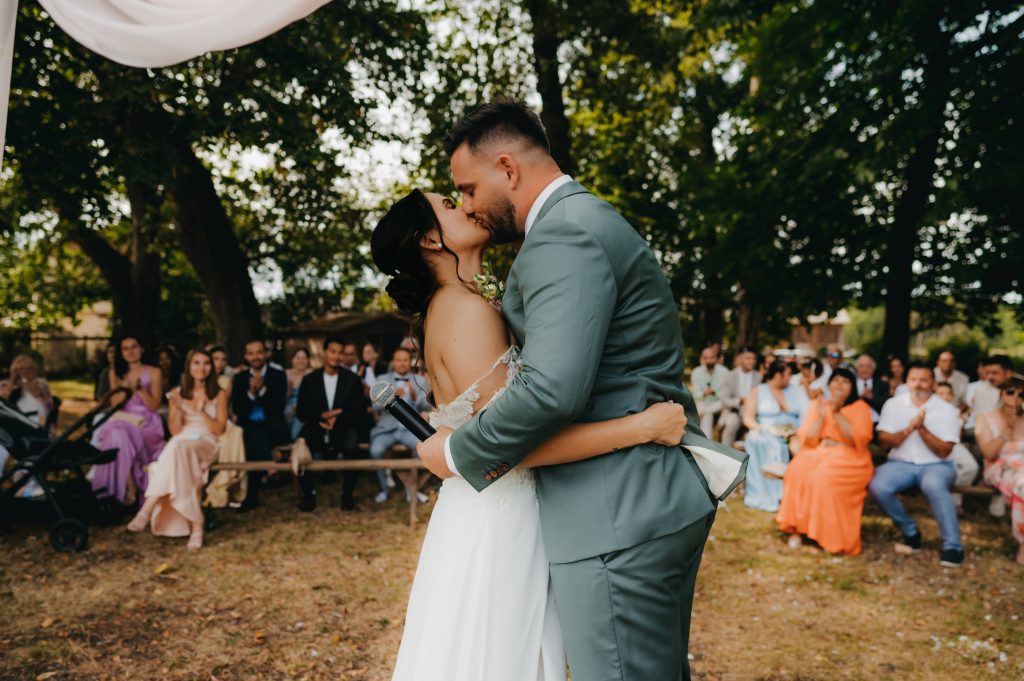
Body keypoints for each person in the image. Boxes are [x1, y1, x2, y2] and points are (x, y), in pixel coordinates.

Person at [403, 101, 745, 681]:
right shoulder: (582, 221)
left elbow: (549, 391)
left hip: (617, 507)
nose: (466, 204)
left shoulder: (562, 235)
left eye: (467, 187)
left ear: (507, 169)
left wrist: (456, 451)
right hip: (638, 496)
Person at [127, 349, 227, 550]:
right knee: (178, 448)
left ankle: (147, 507)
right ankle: (196, 528)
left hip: (207, 441)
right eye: (196, 363)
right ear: (189, 367)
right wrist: (177, 409)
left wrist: (201, 412)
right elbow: (175, 430)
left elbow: (220, 429)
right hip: (183, 440)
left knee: (176, 449)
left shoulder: (219, 393)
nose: (201, 368)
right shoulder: (178, 393)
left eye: (206, 363)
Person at [868, 362, 965, 567]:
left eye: (923, 380)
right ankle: (910, 530)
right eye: (913, 379)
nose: (918, 385)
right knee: (877, 485)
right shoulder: (893, 405)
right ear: (906, 382)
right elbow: (884, 442)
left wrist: (922, 429)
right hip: (900, 463)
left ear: (933, 383)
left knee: (934, 486)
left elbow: (944, 450)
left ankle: (953, 546)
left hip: (937, 465)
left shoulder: (947, 410)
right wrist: (908, 429)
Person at [776, 368, 873, 554]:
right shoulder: (819, 404)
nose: (839, 384)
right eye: (835, 380)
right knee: (796, 472)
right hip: (818, 450)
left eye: (845, 381)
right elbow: (809, 439)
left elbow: (855, 440)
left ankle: (830, 537)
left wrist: (836, 413)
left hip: (850, 457)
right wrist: (821, 416)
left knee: (823, 479)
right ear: (828, 385)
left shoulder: (860, 407)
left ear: (852, 387)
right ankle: (798, 529)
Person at [295, 336, 368, 512]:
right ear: (324, 352)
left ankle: (347, 495)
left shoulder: (352, 379)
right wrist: (322, 416)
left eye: (340, 353)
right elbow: (301, 411)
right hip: (316, 426)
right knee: (301, 445)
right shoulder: (310, 379)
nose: (336, 356)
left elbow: (360, 411)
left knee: (352, 445)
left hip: (343, 427)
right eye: (332, 351)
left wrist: (338, 417)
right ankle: (309, 495)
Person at [91, 336, 165, 505]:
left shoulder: (154, 371)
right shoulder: (115, 372)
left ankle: (128, 487)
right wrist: (122, 388)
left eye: (134, 347)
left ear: (141, 349)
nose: (130, 352)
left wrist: (139, 390)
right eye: (125, 348)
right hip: (123, 418)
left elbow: (154, 406)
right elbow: (116, 405)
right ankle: (129, 483)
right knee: (117, 432)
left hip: (146, 421)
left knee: (120, 434)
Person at [741, 360, 808, 511]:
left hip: (794, 431)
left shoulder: (794, 391)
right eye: (788, 374)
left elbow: (805, 414)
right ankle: (768, 494)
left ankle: (792, 493)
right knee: (756, 439)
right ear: (778, 375)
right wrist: (759, 428)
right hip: (767, 430)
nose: (791, 377)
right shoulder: (759, 390)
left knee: (798, 447)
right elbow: (748, 418)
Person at [368, 347, 432, 504]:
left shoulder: (420, 380)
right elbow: (374, 407)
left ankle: (411, 489)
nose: (402, 363)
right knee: (375, 451)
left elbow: (427, 408)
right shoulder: (382, 379)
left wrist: (415, 396)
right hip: (387, 429)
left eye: (405, 360)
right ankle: (384, 489)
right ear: (393, 362)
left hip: (409, 429)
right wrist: (389, 397)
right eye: (398, 360)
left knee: (423, 450)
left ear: (409, 362)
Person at [231, 339, 288, 511]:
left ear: (266, 354)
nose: (255, 357)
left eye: (259, 352)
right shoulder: (240, 378)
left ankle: (251, 497)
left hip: (274, 428)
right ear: (246, 357)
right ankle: (271, 469)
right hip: (249, 429)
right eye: (251, 353)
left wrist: (262, 391)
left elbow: (278, 407)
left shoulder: (277, 375)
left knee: (256, 437)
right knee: (253, 433)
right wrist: (250, 393)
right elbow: (239, 410)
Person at [976, 377, 1024, 565]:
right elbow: (988, 453)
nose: (1016, 397)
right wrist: (1007, 431)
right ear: (1001, 393)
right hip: (999, 467)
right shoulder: (985, 418)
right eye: (1010, 392)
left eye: (1022, 394)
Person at [205, 344, 247, 508]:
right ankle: (231, 481)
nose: (220, 363)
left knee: (236, 431)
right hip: (202, 422)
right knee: (234, 434)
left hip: (221, 419)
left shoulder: (225, 381)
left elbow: (223, 406)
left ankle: (225, 481)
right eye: (216, 359)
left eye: (223, 360)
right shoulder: (196, 381)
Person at [931, 382, 979, 507]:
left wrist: (961, 422)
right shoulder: (928, 411)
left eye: (948, 394)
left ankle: (953, 501)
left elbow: (959, 436)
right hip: (934, 446)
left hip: (954, 446)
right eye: (941, 393)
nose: (945, 397)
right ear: (935, 395)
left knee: (971, 468)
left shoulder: (956, 412)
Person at [719, 346, 762, 447]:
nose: (751, 361)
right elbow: (725, 400)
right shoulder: (729, 376)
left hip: (754, 413)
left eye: (753, 359)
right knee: (731, 423)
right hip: (735, 411)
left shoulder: (759, 377)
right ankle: (725, 452)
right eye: (748, 358)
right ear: (740, 359)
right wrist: (740, 401)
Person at [1, 354, 55, 431]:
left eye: (29, 368)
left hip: (38, 420)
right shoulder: (4, 384)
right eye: (21, 369)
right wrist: (13, 380)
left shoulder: (41, 383)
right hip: (12, 421)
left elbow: (36, 394)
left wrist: (24, 382)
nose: (25, 371)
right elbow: (3, 401)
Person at [689, 346, 730, 435]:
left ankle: (697, 417)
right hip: (702, 402)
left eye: (711, 357)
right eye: (706, 358)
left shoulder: (725, 372)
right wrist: (703, 393)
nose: (709, 360)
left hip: (718, 403)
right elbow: (696, 394)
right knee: (708, 415)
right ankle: (706, 441)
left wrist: (715, 392)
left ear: (716, 358)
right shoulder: (696, 372)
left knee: (721, 403)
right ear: (702, 359)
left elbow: (727, 394)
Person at [285, 347, 313, 441]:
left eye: (304, 358)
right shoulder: (286, 374)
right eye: (298, 358)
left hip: (305, 407)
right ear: (292, 359)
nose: (301, 361)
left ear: (308, 360)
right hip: (288, 407)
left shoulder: (311, 374)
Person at [853, 353, 889, 420]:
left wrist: (872, 398)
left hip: (876, 422)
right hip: (853, 420)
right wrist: (860, 397)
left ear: (873, 368)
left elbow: (886, 406)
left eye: (868, 366)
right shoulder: (851, 383)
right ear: (856, 368)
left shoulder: (882, 385)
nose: (865, 369)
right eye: (861, 366)